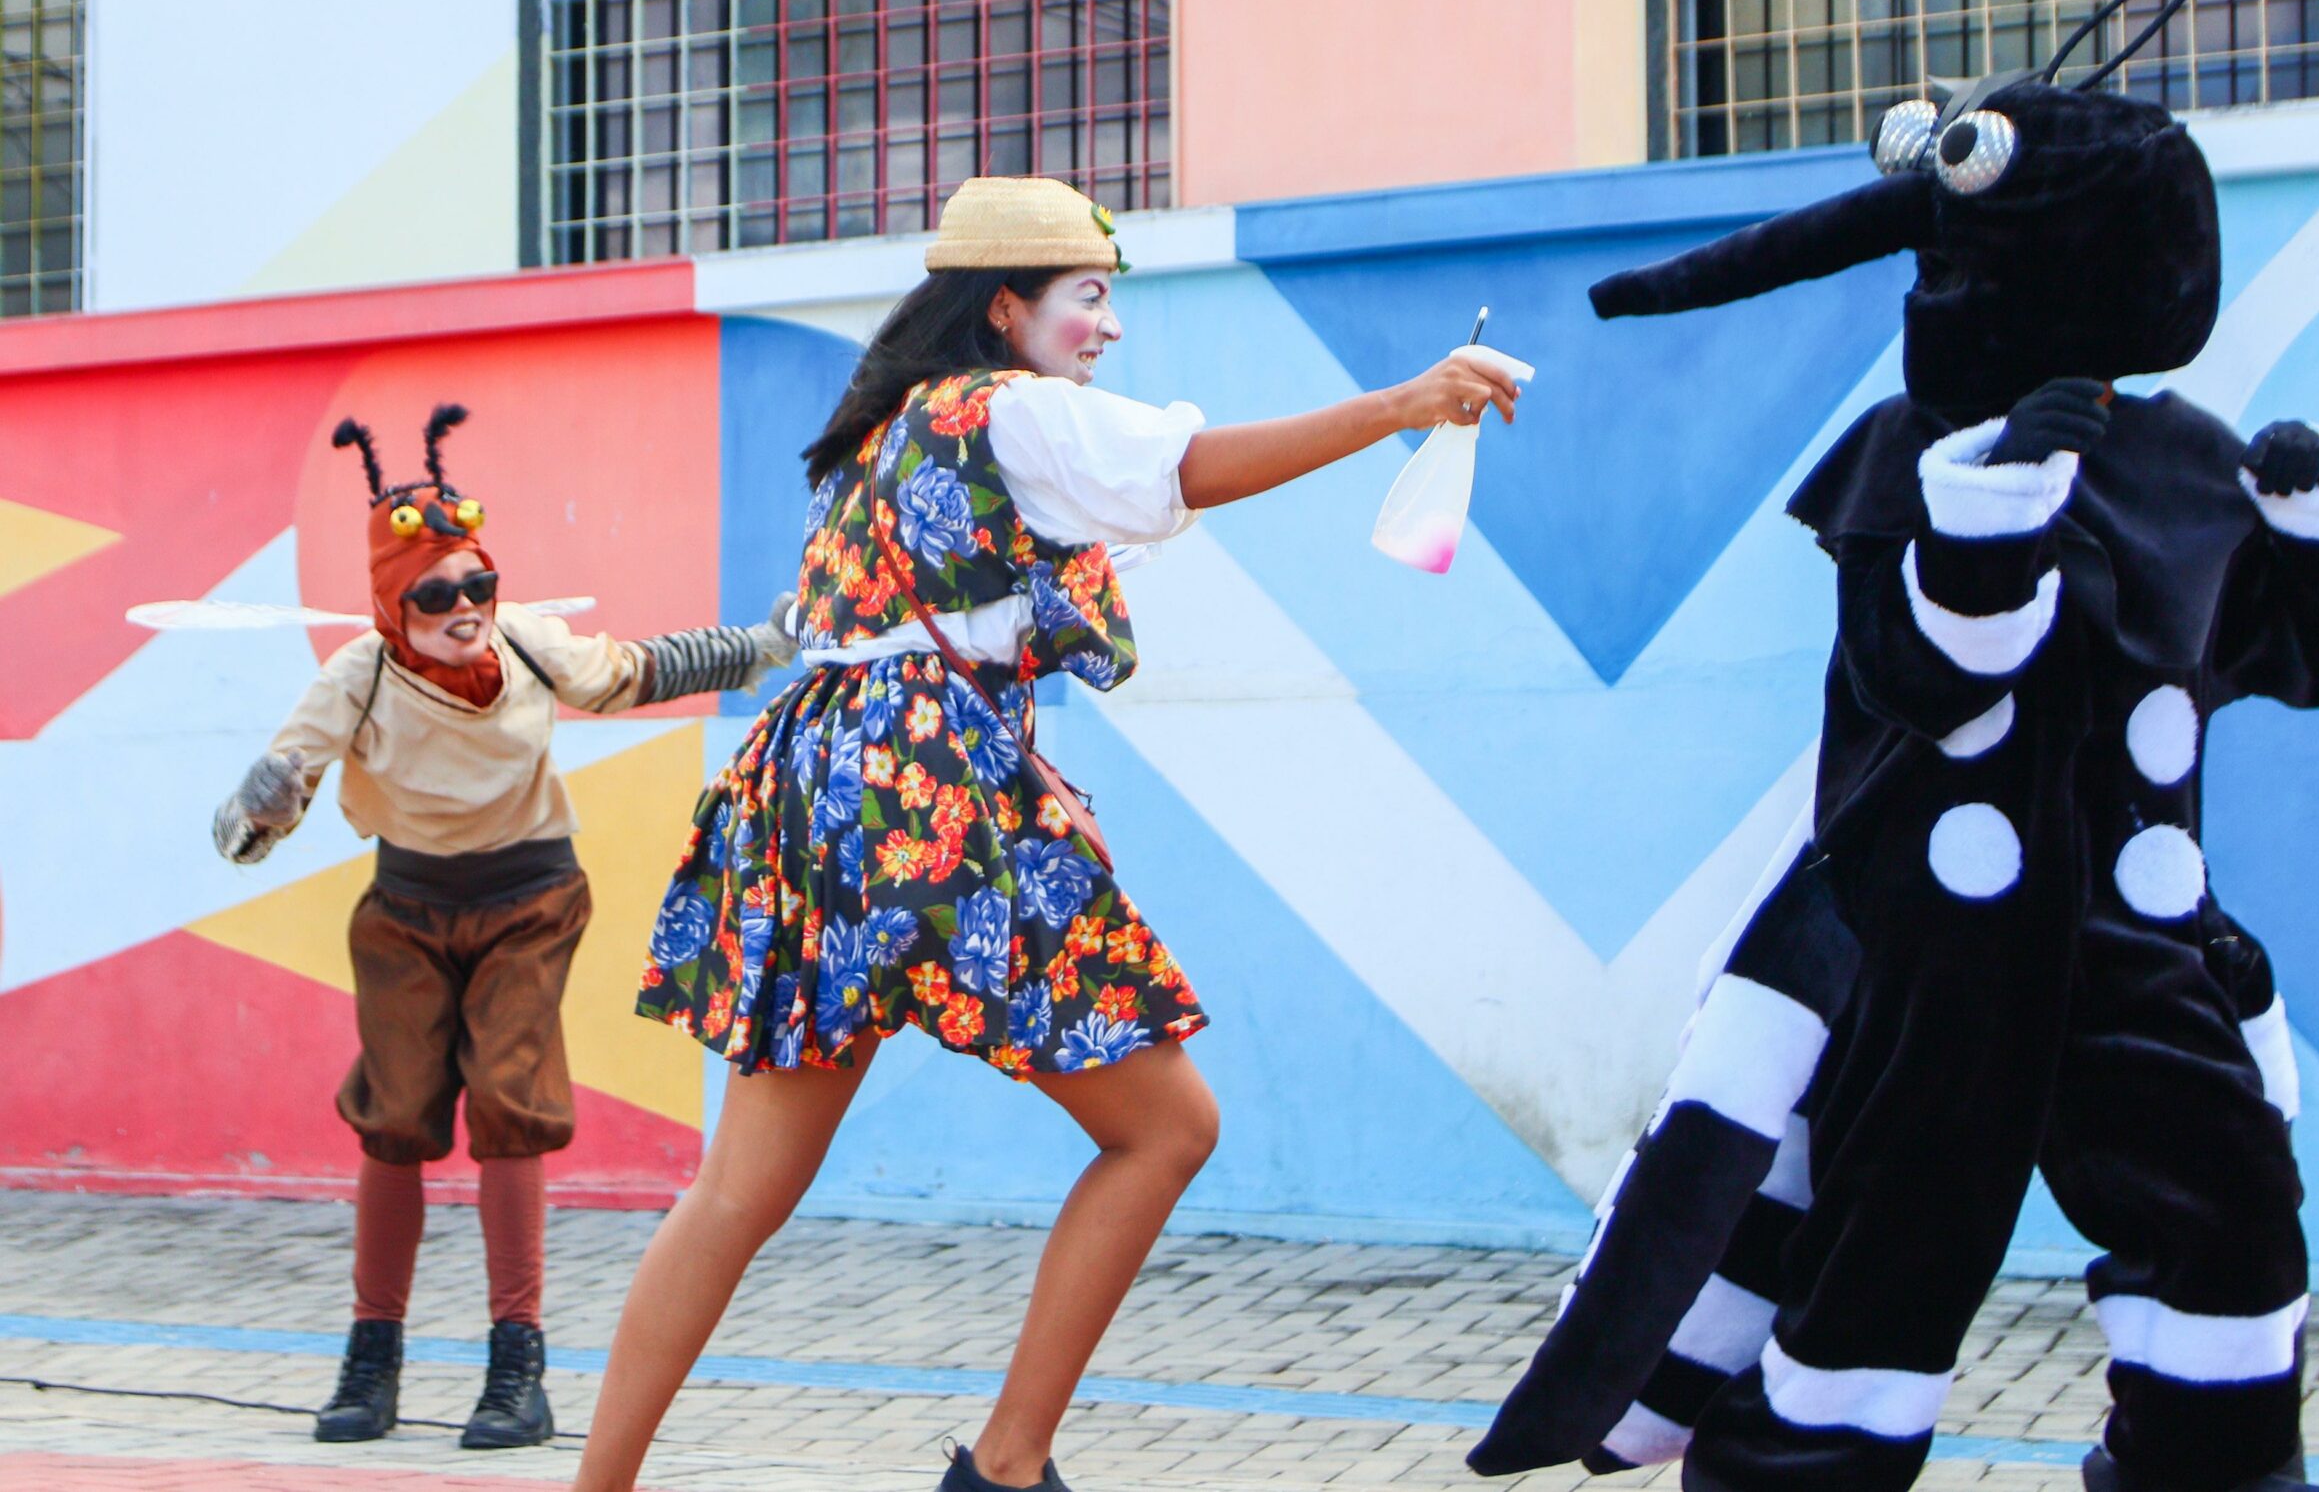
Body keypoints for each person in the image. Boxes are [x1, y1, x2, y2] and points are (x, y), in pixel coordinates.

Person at [1472, 0, 2319, 1492]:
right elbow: (1921, 674)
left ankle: (2204, 1463)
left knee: (2234, 1227)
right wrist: (1996, 505)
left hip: (2142, 949)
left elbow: (2292, 653)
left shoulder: (2192, 460)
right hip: (1936, 964)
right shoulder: (1915, 461)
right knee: (1880, 1271)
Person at [575, 175, 1527, 1492]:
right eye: (1089, 298)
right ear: (1003, 307)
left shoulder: (889, 441)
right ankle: (1010, 1460)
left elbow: (866, 625)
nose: (1107, 326)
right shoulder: (1015, 412)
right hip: (930, 799)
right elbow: (1188, 468)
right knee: (1165, 1127)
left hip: (813, 797)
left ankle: (598, 1485)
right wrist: (1403, 405)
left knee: (736, 1190)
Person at [212, 406, 797, 1450]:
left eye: (477, 582)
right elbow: (276, 793)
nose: (466, 607)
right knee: (393, 1117)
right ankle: (372, 1355)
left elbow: (632, 671)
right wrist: (252, 811)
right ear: (393, 607)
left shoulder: (526, 639)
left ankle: (515, 1368)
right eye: (435, 595)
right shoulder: (360, 675)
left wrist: (763, 644)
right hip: (406, 911)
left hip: (529, 901)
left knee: (510, 1105)